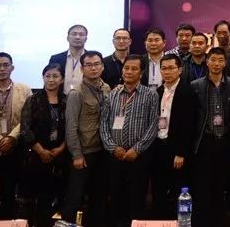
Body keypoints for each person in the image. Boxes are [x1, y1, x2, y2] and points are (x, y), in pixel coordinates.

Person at [100, 54, 159, 227]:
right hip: (115, 156)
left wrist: (137, 149)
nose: (129, 72)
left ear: (141, 73)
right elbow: (103, 124)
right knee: (116, 199)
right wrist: (112, 147)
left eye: (134, 69)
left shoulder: (151, 95)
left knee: (136, 200)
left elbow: (153, 125)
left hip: (139, 156)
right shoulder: (113, 94)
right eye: (126, 68)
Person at [191, 47, 230, 227]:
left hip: (226, 142)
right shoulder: (196, 85)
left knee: (221, 186)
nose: (216, 64)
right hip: (204, 142)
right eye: (213, 60)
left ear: (225, 63)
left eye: (220, 60)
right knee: (202, 186)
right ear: (207, 61)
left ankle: (219, 221)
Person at [63, 51, 111, 227]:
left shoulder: (106, 88)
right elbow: (71, 126)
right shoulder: (76, 93)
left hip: (103, 150)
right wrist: (76, 155)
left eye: (97, 64)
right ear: (82, 69)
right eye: (89, 65)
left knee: (99, 196)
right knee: (75, 197)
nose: (93, 68)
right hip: (84, 152)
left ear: (102, 66)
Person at [0, 52, 32, 220]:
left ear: (12, 68)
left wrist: (12, 138)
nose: (2, 69)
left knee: (9, 195)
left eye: (6, 65)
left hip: (14, 150)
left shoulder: (24, 90)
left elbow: (28, 118)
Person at [20, 63, 67, 227]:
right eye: (48, 76)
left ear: (62, 79)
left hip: (59, 156)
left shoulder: (67, 100)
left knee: (49, 201)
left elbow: (71, 127)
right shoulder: (33, 99)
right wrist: (41, 151)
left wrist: (61, 148)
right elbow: (25, 129)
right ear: (43, 78)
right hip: (35, 156)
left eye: (55, 76)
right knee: (31, 200)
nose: (51, 79)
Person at [150, 53, 196, 220]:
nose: (167, 72)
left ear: (180, 70)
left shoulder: (187, 91)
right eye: (164, 69)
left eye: (171, 68)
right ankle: (161, 221)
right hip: (159, 146)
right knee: (159, 189)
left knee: (179, 189)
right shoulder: (158, 91)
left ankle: (180, 222)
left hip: (177, 149)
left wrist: (181, 152)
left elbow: (190, 125)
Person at [50, 24, 88, 94]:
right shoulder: (56, 59)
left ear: (86, 39)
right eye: (74, 34)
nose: (77, 37)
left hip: (85, 99)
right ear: (67, 38)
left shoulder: (92, 59)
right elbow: (49, 79)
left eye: (81, 34)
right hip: (61, 98)